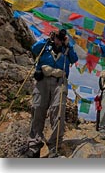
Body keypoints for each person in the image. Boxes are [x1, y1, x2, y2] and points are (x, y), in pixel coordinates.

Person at [21, 29, 78, 158]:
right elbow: (34, 49)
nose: (59, 40)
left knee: (58, 111)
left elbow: (74, 59)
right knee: (37, 108)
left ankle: (54, 146)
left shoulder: (67, 50)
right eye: (57, 37)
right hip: (43, 80)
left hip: (60, 82)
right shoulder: (45, 46)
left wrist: (68, 44)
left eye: (61, 38)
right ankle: (34, 145)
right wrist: (48, 39)